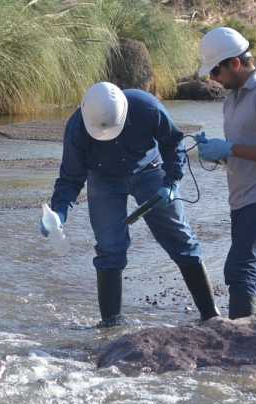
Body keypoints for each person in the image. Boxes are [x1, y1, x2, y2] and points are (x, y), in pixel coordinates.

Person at [41, 82, 220, 327]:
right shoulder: (77, 128)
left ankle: (211, 316)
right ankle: (111, 326)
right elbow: (70, 178)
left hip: (150, 169)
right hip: (103, 179)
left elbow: (173, 143)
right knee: (109, 247)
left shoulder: (147, 107)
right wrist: (59, 213)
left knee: (180, 238)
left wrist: (172, 182)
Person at [195, 27, 256, 318]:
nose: (213, 79)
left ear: (235, 63)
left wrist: (229, 148)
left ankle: (241, 341)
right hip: (243, 200)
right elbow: (245, 150)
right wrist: (220, 154)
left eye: (216, 71)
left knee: (240, 270)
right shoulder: (232, 100)